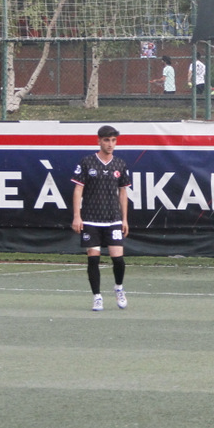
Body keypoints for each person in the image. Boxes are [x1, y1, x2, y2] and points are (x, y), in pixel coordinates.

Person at [72, 125, 132, 312]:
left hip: (113, 218)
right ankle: (97, 297)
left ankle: (119, 288)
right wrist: (77, 216)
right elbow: (78, 189)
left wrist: (124, 219)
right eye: (106, 140)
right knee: (93, 259)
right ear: (99, 141)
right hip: (91, 218)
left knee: (118, 259)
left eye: (113, 140)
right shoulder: (87, 162)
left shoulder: (120, 164)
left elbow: (123, 192)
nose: (110, 144)